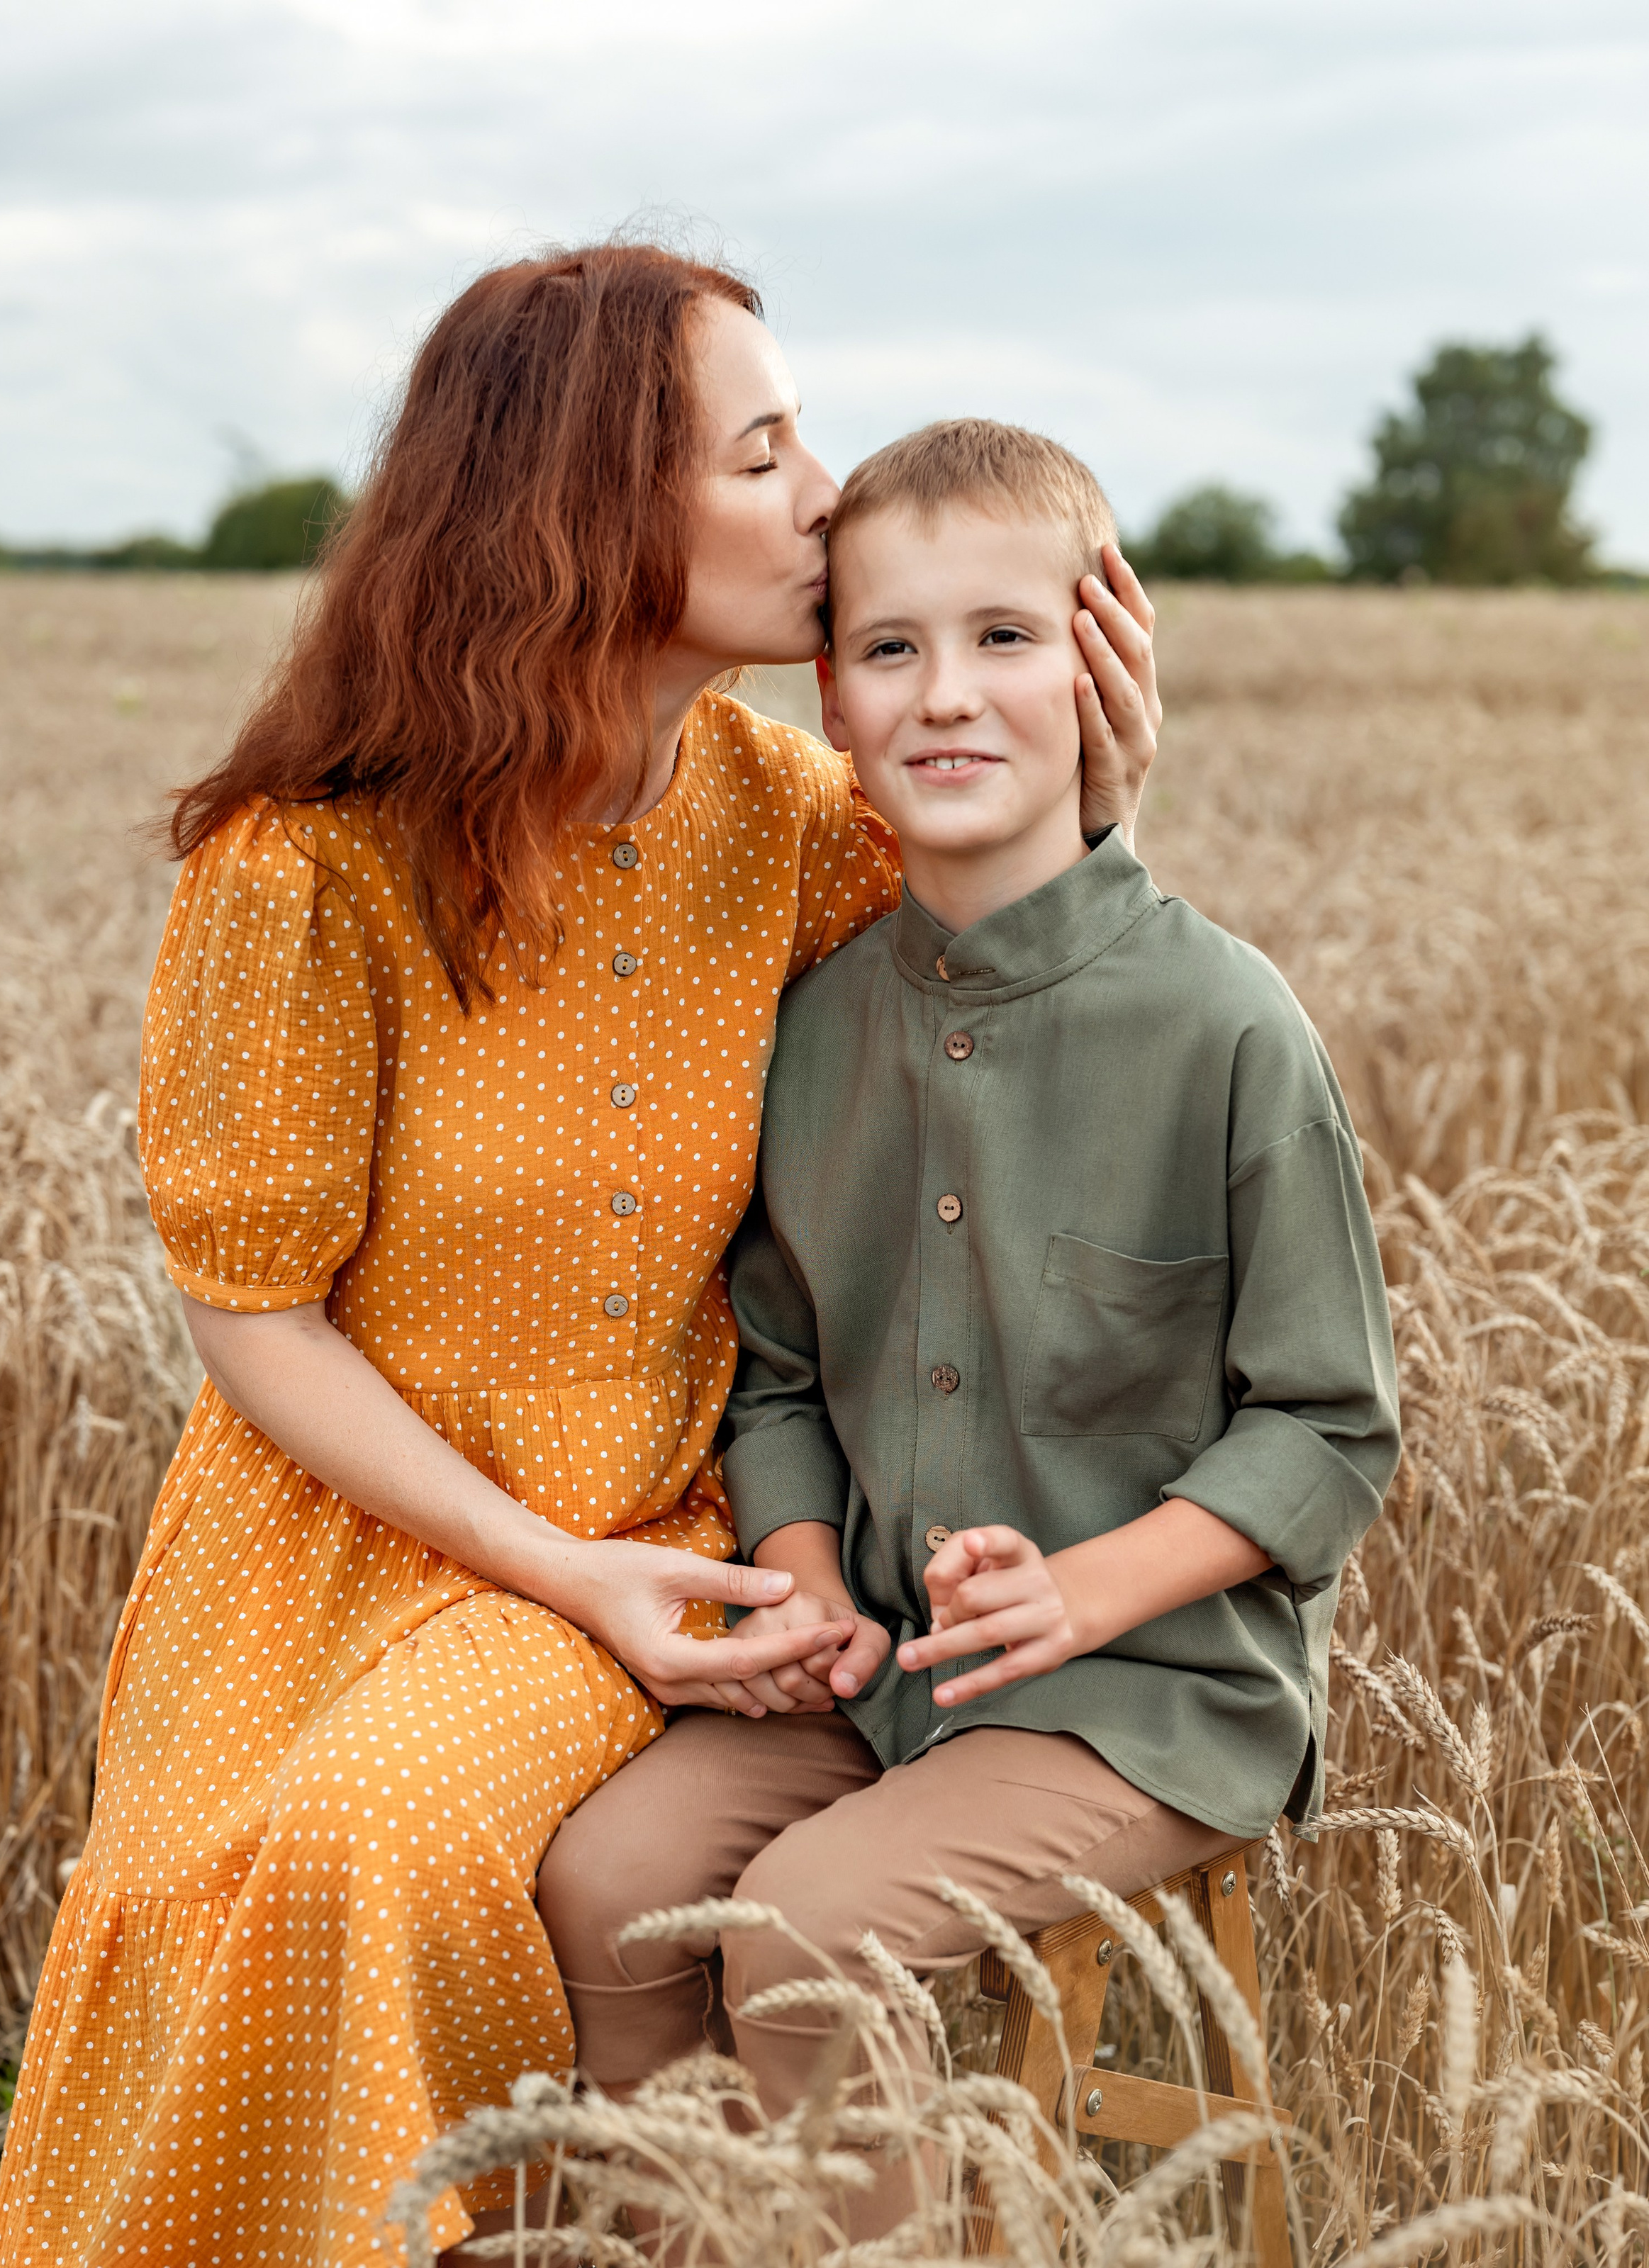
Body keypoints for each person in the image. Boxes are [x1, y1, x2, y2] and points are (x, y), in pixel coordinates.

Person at [0, 259, 1161, 2268]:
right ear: (584, 512)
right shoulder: (306, 865)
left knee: (365, 1843)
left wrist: (1090, 804)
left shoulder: (801, 820)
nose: (827, 497)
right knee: (242, 1861)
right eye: (761, 453)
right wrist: (554, 1568)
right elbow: (253, 1313)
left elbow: (1028, 1059)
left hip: (685, 1523)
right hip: (344, 1539)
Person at [537, 419, 1401, 2239]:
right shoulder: (817, 1026)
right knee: (609, 1881)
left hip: (1145, 1691)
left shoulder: (1224, 1027)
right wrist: (803, 1579)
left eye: (1003, 637)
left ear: (1100, 664)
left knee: (804, 1930)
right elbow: (777, 1369)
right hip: (881, 1669)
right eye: (889, 646)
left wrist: (1079, 1592)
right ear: (831, 707)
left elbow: (1327, 1425)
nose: (944, 693)